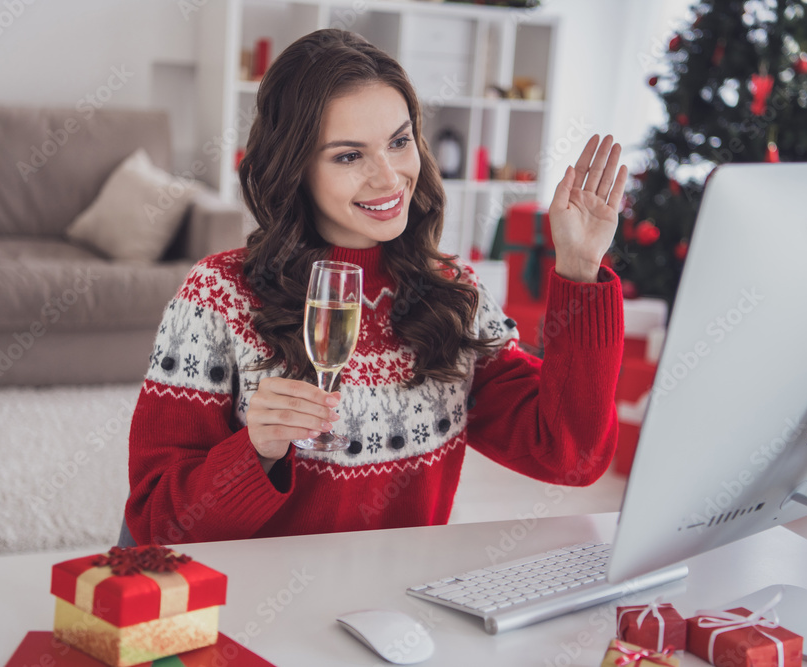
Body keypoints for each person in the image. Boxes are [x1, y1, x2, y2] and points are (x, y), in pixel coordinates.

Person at [124, 29, 627, 545]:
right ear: (295, 169)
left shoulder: (453, 293)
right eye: (348, 156)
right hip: (256, 611)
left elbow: (574, 458)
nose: (389, 178)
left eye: (399, 141)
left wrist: (580, 269)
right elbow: (157, 525)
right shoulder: (217, 295)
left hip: (397, 609)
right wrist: (256, 453)